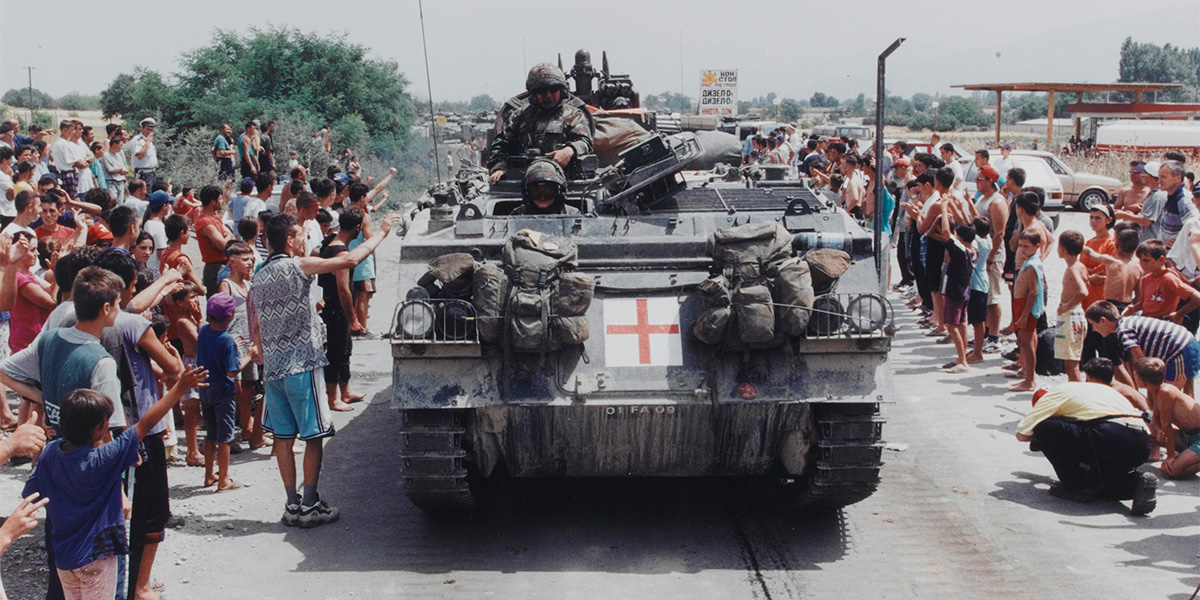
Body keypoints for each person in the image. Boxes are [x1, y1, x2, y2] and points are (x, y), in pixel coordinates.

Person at [249, 211, 398, 527]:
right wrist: (381, 232)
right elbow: (349, 261)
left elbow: (257, 326)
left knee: (284, 438)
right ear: (289, 240)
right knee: (313, 435)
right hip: (301, 365)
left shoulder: (259, 275)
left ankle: (292, 504)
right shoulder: (297, 266)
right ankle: (311, 503)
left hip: (274, 370)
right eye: (300, 234)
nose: (304, 238)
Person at [23, 368, 205, 600]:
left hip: (64, 558)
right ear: (98, 429)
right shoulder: (105, 457)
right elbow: (147, 422)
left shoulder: (50, 453)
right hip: (98, 557)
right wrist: (180, 388)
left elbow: (31, 493)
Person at [1015, 382, 1156, 515]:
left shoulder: (1052, 397)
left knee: (1043, 428)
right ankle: (1135, 483)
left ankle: (1074, 485)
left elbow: (1022, 435)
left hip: (1110, 434)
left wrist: (1039, 439)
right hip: (1141, 441)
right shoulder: (1091, 390)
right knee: (1102, 481)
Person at [487, 63, 594, 186]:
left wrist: (570, 150)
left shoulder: (573, 115)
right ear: (533, 92)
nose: (548, 95)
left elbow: (585, 141)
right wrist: (499, 167)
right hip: (524, 181)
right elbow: (501, 145)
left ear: (561, 90)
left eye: (553, 89)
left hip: (565, 180)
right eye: (542, 91)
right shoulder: (520, 116)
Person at [197, 293, 253, 491]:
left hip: (205, 389)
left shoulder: (203, 332)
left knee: (210, 434)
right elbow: (232, 370)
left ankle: (208, 475)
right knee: (225, 437)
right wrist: (248, 356)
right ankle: (224, 479)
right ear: (230, 316)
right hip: (222, 392)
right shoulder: (227, 339)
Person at [1087, 300, 1199, 397]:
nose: (1093, 330)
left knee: (1167, 395)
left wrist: (1142, 381)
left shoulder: (1123, 331)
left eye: (1093, 325)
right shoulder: (1127, 322)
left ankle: (1164, 421)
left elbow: (1143, 362)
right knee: (1185, 391)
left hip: (1180, 350)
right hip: (1186, 344)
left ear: (1103, 320)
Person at [1131, 357, 1200, 479]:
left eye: (1135, 375)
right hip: (1187, 434)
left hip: (1197, 434)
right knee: (1144, 436)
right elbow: (1156, 419)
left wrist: (1170, 456)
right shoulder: (1155, 391)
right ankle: (1188, 456)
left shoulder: (1165, 392)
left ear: (1142, 381)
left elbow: (1167, 427)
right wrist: (1158, 433)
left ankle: (1185, 459)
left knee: (1172, 471)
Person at [1010, 230, 1046, 392]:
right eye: (1020, 246)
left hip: (1026, 306)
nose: (1022, 249)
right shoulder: (1030, 261)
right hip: (1021, 304)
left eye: (1026, 246)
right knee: (1027, 339)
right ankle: (1025, 370)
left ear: (1037, 246)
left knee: (1027, 341)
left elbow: (1033, 292)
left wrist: (1025, 315)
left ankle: (1030, 380)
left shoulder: (1032, 265)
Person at [1055, 231, 1089, 382]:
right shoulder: (1080, 265)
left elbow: (1083, 291)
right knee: (1071, 359)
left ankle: (1076, 393)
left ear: (1062, 248)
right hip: (1075, 315)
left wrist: (1067, 305)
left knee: (1071, 364)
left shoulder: (1073, 268)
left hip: (1071, 316)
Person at [194, 185, 232, 296]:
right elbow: (223, 245)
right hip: (214, 268)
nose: (222, 201)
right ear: (213, 202)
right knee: (216, 304)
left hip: (223, 264)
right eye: (220, 199)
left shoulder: (215, 218)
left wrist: (227, 235)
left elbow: (228, 236)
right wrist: (227, 236)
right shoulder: (204, 222)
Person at [511, 159, 581, 216]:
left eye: (548, 191)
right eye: (536, 191)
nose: (542, 197)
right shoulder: (518, 215)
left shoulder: (572, 215)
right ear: (528, 193)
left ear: (558, 191)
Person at [127, 118, 158, 188]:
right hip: (143, 173)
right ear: (142, 128)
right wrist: (146, 143)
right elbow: (139, 155)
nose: (149, 132)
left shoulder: (148, 140)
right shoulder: (137, 140)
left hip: (151, 172)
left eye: (151, 130)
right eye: (148, 129)